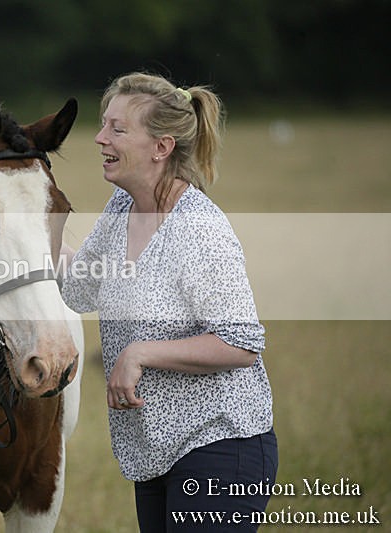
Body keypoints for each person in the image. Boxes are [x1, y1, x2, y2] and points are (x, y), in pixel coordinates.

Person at [61, 72, 277, 532]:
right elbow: (77, 288)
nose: (100, 138)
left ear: (161, 147)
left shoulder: (197, 228)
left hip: (220, 447)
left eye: (117, 129)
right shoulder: (121, 208)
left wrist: (140, 353)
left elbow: (241, 343)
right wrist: (26, 226)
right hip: (154, 453)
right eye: (103, 125)